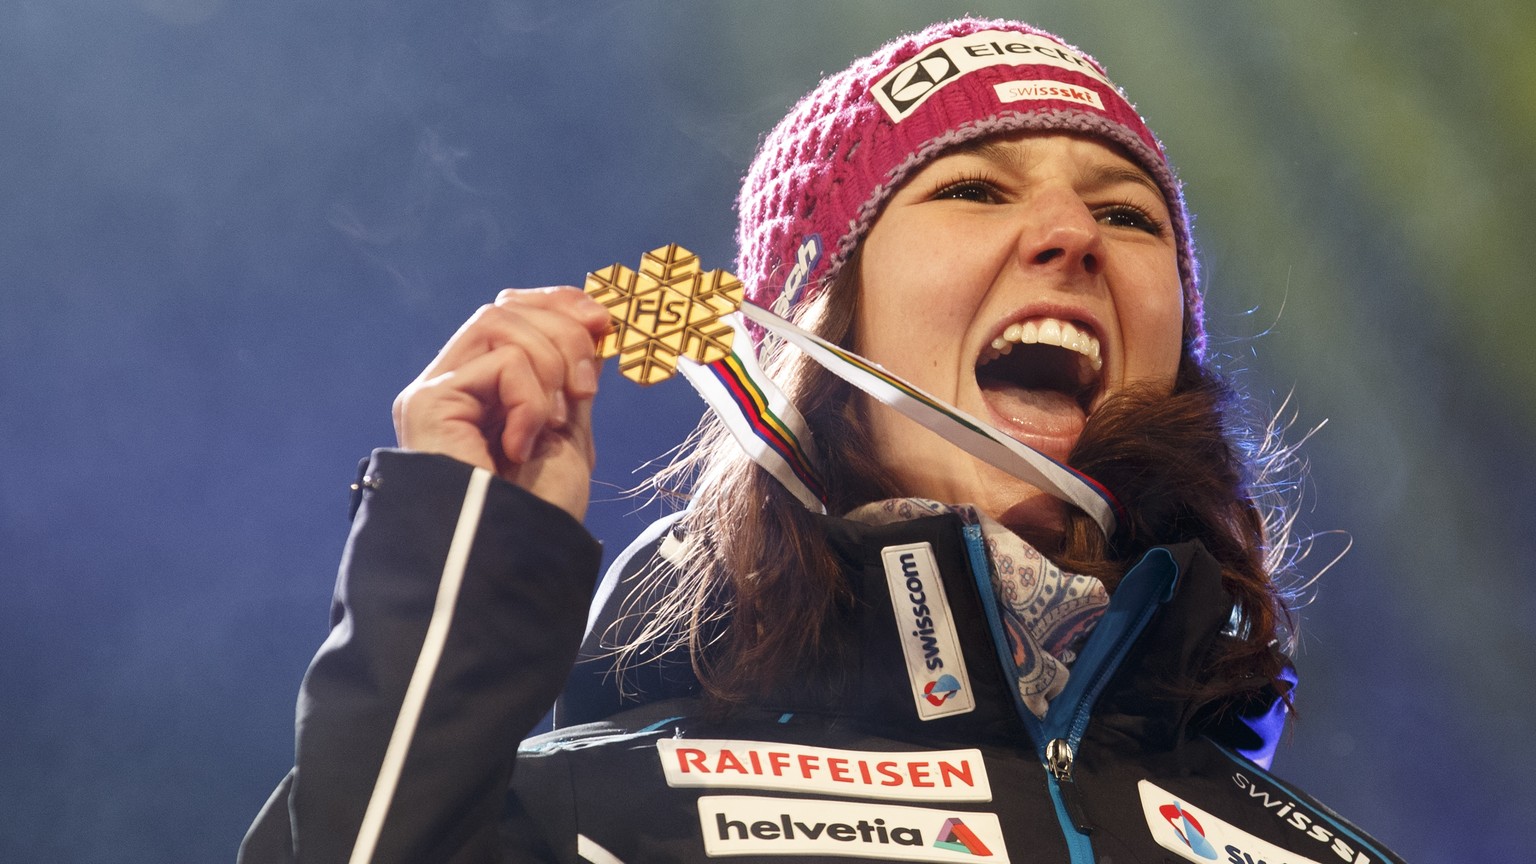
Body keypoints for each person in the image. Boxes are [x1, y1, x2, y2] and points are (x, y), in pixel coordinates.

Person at [240, 18, 1406, 864]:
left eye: (1125, 213)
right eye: (973, 192)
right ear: (810, 341)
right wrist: (461, 566)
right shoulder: (599, 817)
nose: (1069, 234)